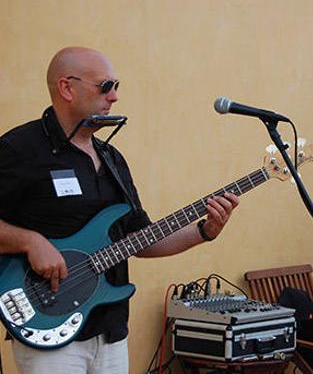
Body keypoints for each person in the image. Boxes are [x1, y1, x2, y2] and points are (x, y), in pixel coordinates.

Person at [0, 47, 239, 374]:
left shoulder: (112, 159)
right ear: (67, 88)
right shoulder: (20, 149)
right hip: (48, 329)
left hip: (111, 329)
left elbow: (141, 239)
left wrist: (203, 232)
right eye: (105, 86)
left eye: (116, 87)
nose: (114, 97)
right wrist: (29, 241)